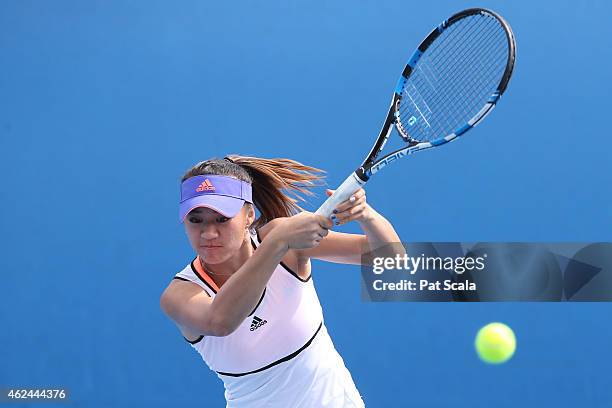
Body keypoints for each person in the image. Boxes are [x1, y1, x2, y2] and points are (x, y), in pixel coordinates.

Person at [160, 155, 401, 407]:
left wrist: (366, 215)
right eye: (195, 220)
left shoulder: (283, 242)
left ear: (249, 215)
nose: (208, 233)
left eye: (222, 218)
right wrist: (277, 243)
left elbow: (390, 258)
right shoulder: (179, 295)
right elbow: (221, 321)